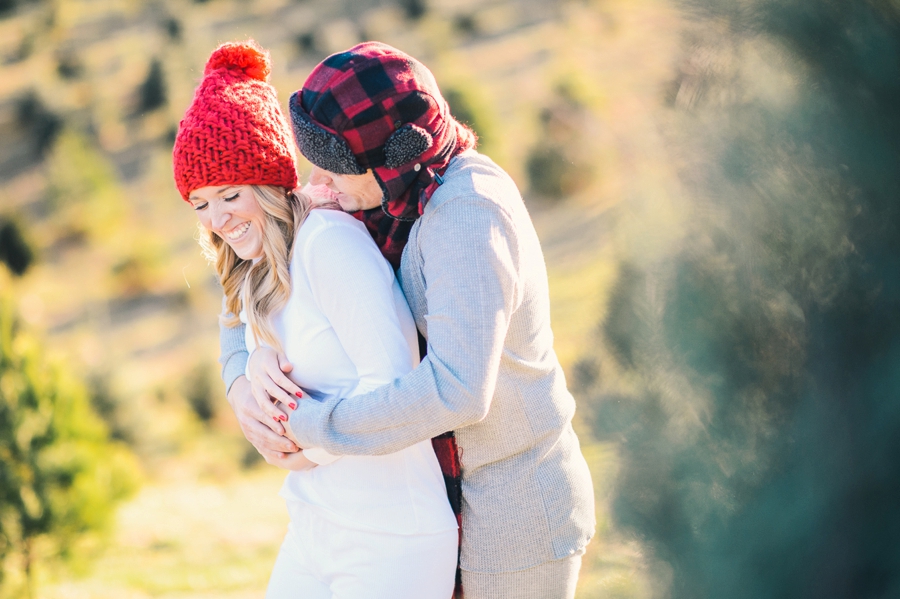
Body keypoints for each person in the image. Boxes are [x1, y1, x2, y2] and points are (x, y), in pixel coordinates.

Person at [221, 41, 596, 599]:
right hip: (442, 491)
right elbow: (242, 257)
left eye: (341, 165)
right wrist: (244, 370)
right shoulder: (387, 197)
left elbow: (459, 390)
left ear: (391, 151)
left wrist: (311, 427)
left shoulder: (467, 213)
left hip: (512, 507)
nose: (322, 179)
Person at [174, 41, 459, 599]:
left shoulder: (327, 246)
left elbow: (395, 384)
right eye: (200, 204)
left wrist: (308, 448)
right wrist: (246, 371)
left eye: (230, 195)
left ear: (269, 183)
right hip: (314, 522)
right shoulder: (254, 264)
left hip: (389, 536)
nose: (217, 220)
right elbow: (232, 326)